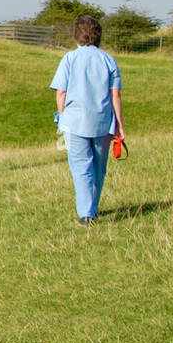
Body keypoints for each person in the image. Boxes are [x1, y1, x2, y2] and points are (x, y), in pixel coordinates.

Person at [51, 15, 124, 225]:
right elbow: (115, 95)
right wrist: (119, 124)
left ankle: (86, 213)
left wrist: (62, 117)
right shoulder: (109, 60)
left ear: (77, 35)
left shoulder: (69, 59)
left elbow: (61, 93)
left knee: (81, 167)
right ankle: (92, 207)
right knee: (99, 168)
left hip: (74, 123)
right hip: (103, 122)